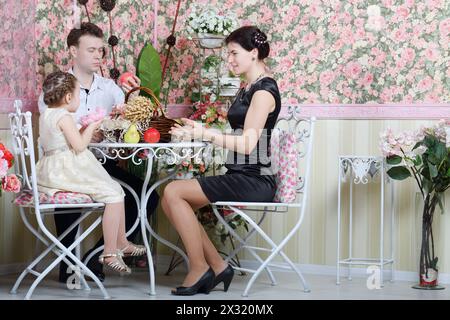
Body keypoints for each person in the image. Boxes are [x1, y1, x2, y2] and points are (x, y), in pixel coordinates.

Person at [38, 22, 159, 283]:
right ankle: (68, 262)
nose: (97, 56)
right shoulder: (56, 91)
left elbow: (129, 127)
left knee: (146, 197)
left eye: (101, 51)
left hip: (104, 164)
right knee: (71, 199)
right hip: (71, 166)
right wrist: (87, 132)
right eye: (91, 50)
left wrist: (128, 107)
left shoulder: (111, 88)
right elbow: (53, 133)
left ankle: (96, 256)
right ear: (73, 51)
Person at [165, 26, 281, 295]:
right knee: (171, 200)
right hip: (241, 175)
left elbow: (248, 143)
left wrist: (204, 134)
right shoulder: (249, 86)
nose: (228, 60)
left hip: (256, 180)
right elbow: (239, 134)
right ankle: (217, 266)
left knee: (173, 191)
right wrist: (198, 129)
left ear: (253, 53)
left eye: (233, 53)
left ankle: (199, 268)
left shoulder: (263, 91)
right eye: (227, 53)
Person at [37, 71, 146, 275]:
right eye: (78, 95)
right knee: (114, 194)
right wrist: (92, 126)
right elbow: (79, 146)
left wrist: (82, 127)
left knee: (115, 189)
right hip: (65, 171)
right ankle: (110, 252)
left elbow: (62, 140)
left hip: (51, 169)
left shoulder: (47, 114)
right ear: (69, 97)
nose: (79, 99)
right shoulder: (64, 116)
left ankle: (121, 242)